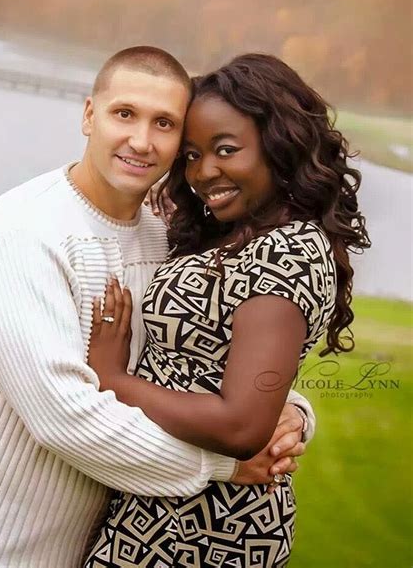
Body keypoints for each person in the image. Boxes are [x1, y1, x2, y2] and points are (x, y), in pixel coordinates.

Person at [0, 47, 314, 568]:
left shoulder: (166, 237)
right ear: (89, 115)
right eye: (124, 114)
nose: (142, 141)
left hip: (98, 546)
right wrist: (222, 464)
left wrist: (291, 413)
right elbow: (65, 417)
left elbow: (200, 354)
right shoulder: (25, 232)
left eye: (164, 123)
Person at [84, 54, 370, 567]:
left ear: (279, 145)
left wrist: (112, 379)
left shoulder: (287, 252)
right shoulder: (234, 231)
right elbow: (223, 367)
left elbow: (242, 426)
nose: (203, 172)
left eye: (226, 150)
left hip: (206, 533)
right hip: (162, 512)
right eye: (192, 154)